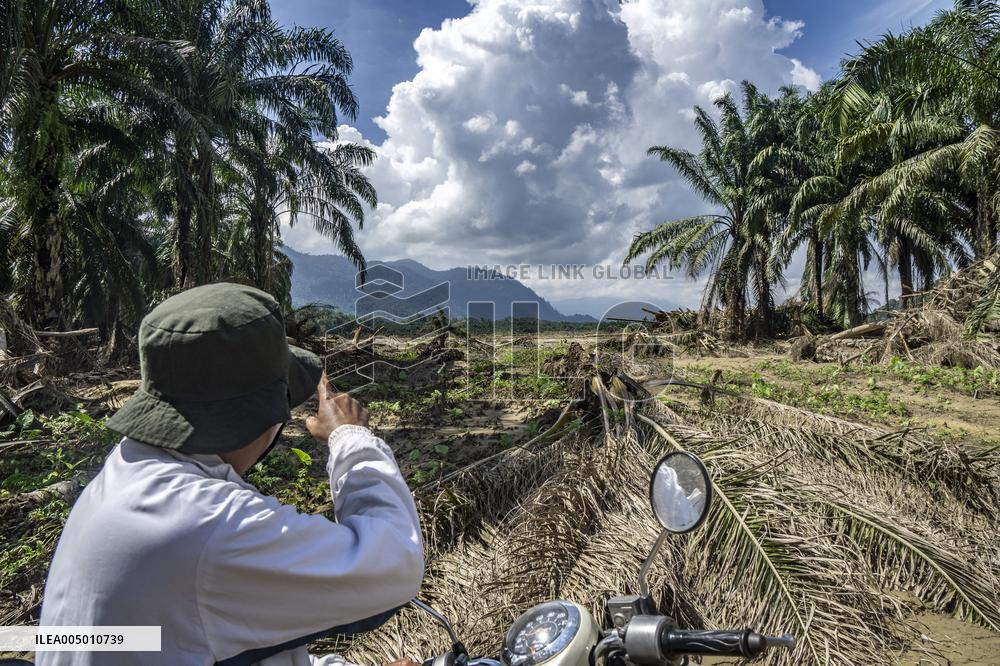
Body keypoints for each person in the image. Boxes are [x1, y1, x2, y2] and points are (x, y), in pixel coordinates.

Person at [37, 283, 424, 666]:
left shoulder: (126, 471)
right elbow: (395, 562)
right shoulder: (209, 522)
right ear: (264, 415)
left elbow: (185, 641)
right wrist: (350, 437)